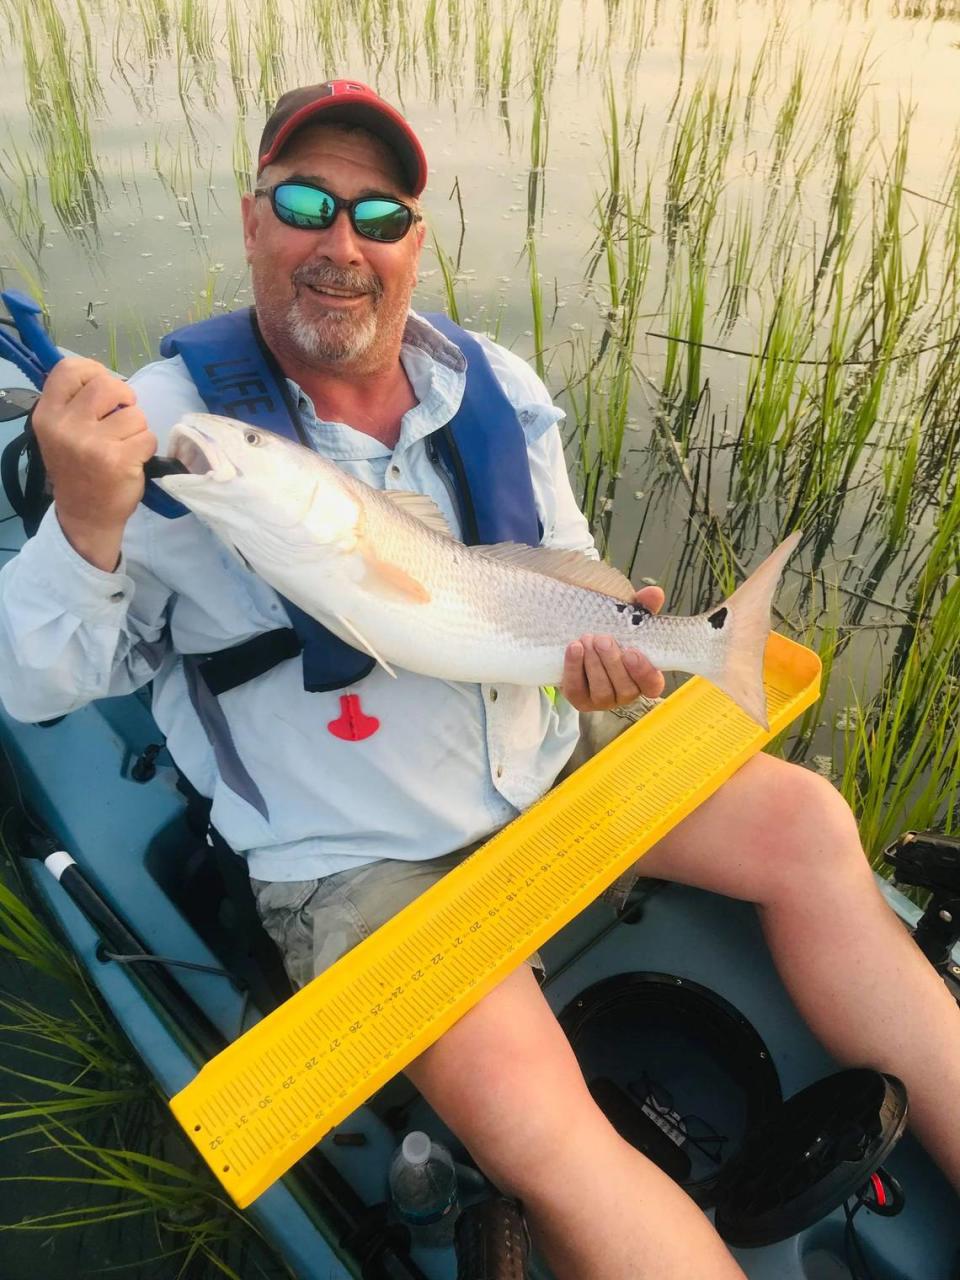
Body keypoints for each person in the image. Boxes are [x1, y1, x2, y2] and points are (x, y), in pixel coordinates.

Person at [0, 80, 958, 1280]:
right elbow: (33, 681)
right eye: (304, 202)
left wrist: (633, 644)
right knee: (532, 1104)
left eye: (379, 213)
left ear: (417, 239)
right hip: (363, 855)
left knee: (811, 820)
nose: (340, 242)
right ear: (252, 223)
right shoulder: (172, 433)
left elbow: (560, 565)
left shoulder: (491, 381)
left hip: (550, 766)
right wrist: (88, 522)